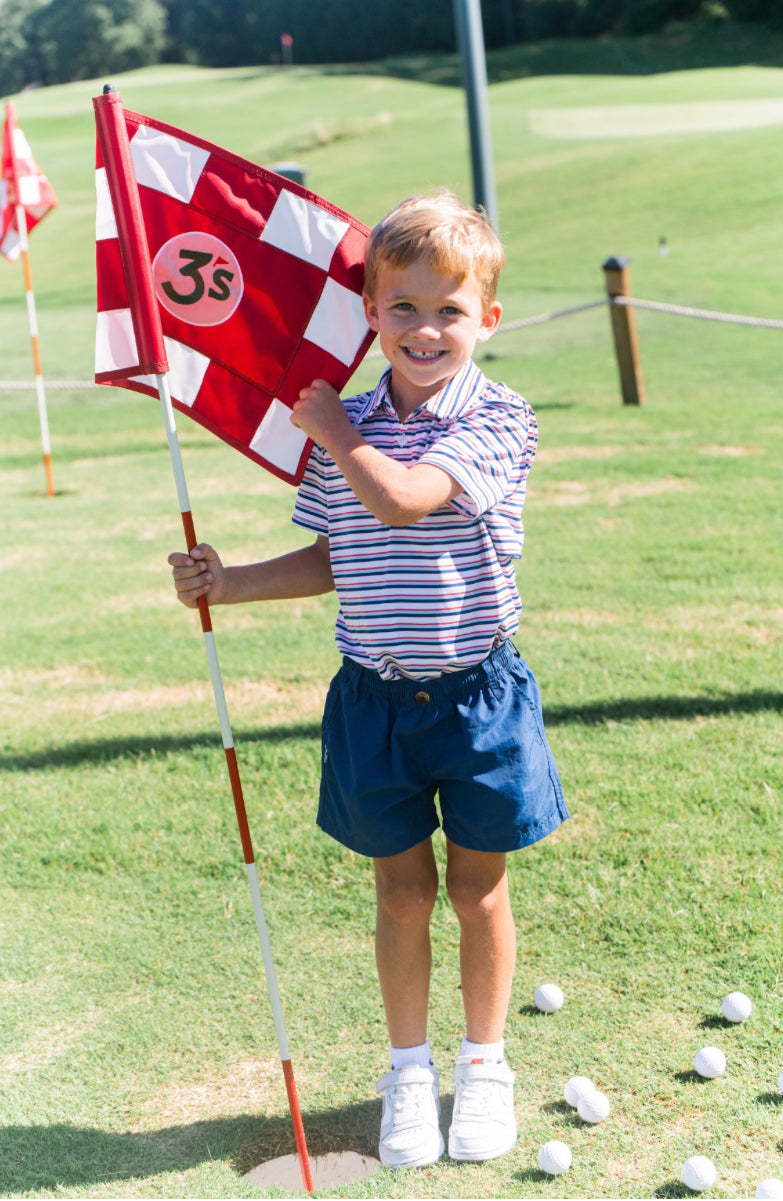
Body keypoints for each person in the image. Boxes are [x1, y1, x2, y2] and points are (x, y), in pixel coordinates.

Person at [168, 191, 568, 1170]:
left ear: (487, 321)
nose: (426, 330)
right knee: (400, 893)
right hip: (372, 702)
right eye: (403, 308)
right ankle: (407, 1073)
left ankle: (484, 1067)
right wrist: (232, 582)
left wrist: (338, 434)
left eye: (450, 310)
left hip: (476, 697)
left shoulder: (501, 419)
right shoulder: (338, 423)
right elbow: (338, 551)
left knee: (476, 892)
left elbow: (401, 501)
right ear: (371, 311)